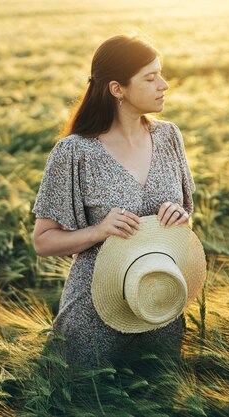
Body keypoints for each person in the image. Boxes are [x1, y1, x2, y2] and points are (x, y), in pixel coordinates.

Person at [31, 34, 197, 369]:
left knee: (158, 393)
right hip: (95, 308)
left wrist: (180, 218)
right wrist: (99, 231)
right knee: (89, 399)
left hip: (157, 298)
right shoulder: (75, 152)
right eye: (150, 78)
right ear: (117, 89)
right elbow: (43, 240)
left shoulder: (169, 137)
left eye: (160, 73)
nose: (163, 85)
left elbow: (186, 222)